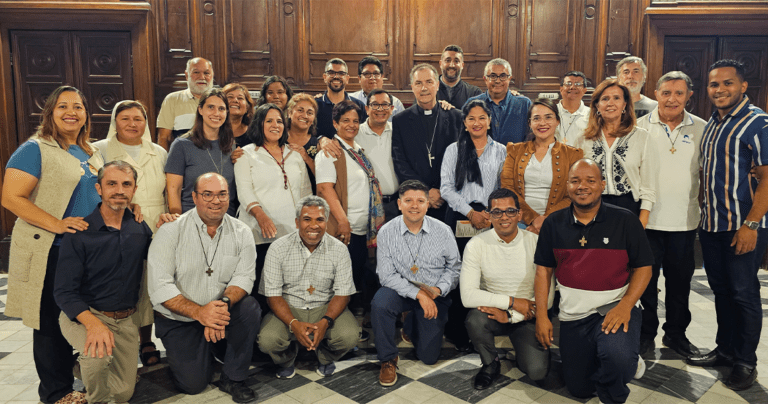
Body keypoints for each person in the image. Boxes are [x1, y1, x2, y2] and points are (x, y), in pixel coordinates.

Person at [2, 85, 105, 404]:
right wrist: (58, 224)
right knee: (49, 319)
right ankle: (56, 391)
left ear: (86, 114)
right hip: (52, 248)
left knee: (79, 314)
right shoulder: (36, 148)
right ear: (50, 113)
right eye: (63, 106)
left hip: (86, 249)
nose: (71, 112)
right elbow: (11, 197)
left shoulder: (91, 151)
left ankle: (82, 377)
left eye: (77, 106)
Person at [534, 159, 653, 404]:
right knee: (579, 389)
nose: (582, 186)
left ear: (602, 184)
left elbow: (644, 268)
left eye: (590, 180)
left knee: (618, 360)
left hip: (613, 307)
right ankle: (615, 359)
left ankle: (622, 368)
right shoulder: (553, 224)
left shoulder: (626, 220)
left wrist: (625, 305)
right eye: (575, 180)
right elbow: (543, 272)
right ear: (567, 186)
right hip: (573, 316)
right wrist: (542, 317)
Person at [686, 59, 768, 391]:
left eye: (727, 83)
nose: (720, 90)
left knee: (744, 293)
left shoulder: (758, 122)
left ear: (743, 86)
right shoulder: (714, 124)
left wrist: (751, 224)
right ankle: (726, 349)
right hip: (713, 225)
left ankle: (746, 361)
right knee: (722, 291)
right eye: (714, 85)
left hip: (742, 226)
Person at [148, 173, 260, 402]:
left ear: (229, 197)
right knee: (193, 385)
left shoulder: (242, 232)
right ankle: (204, 351)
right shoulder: (171, 230)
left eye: (222, 194)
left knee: (249, 307)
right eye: (207, 194)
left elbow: (244, 277)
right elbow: (160, 287)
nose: (216, 201)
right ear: (194, 197)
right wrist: (200, 313)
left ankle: (234, 376)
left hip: (220, 311)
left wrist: (220, 308)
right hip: (180, 319)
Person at [54, 161, 153, 404]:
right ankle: (93, 391)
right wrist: (94, 325)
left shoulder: (140, 229)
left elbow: (161, 257)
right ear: (99, 189)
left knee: (123, 393)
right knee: (98, 361)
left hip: (125, 320)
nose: (119, 190)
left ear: (134, 189)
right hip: (84, 316)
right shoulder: (79, 233)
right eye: (112, 184)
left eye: (126, 184)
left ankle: (82, 369)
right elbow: (64, 292)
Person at [92, 100, 168, 367]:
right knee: (123, 278)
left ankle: (146, 339)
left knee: (147, 281)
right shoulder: (99, 149)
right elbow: (95, 187)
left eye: (138, 119)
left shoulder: (158, 151)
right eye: (125, 118)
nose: (132, 124)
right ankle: (117, 335)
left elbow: (168, 190)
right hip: (119, 221)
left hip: (156, 224)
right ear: (115, 121)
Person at [636, 71, 707, 358]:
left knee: (680, 284)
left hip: (685, 222)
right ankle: (645, 334)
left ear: (689, 95)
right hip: (648, 222)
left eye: (679, 93)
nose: (672, 98)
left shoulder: (703, 128)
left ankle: (676, 335)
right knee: (646, 285)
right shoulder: (640, 127)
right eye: (666, 92)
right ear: (656, 94)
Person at [257, 196, 360, 378]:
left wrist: (325, 321)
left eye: (320, 219)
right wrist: (293, 324)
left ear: (326, 222)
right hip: (289, 308)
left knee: (350, 336)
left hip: (325, 308)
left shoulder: (339, 249)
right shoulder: (278, 248)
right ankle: (287, 360)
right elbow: (272, 296)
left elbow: (343, 294)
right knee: (267, 340)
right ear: (297, 222)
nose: (314, 225)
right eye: (307, 219)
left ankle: (324, 357)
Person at [372, 180, 461, 386]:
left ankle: (411, 323)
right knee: (380, 302)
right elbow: (386, 276)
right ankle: (388, 359)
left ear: (428, 204)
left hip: (434, 293)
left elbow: (454, 268)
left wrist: (438, 290)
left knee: (428, 357)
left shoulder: (443, 230)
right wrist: (419, 295)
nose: (415, 205)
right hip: (401, 291)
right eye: (408, 200)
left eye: (420, 201)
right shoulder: (386, 231)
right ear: (399, 204)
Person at [461, 188, 552, 389]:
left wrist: (512, 315)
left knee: (537, 371)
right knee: (475, 319)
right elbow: (468, 296)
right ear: (489, 215)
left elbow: (549, 298)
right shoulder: (476, 245)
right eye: (497, 212)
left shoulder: (537, 243)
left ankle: (525, 353)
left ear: (519, 214)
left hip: (529, 314)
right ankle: (490, 364)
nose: (504, 217)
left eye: (510, 211)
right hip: (494, 313)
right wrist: (511, 302)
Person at [439, 99, 505, 352]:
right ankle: (456, 331)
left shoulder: (501, 151)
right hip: (459, 217)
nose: (476, 123)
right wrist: (470, 212)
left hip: (491, 218)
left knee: (485, 274)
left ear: (489, 121)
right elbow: (446, 188)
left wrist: (489, 214)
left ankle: (481, 328)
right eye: (471, 119)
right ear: (464, 124)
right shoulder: (453, 150)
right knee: (458, 272)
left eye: (481, 118)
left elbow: (503, 185)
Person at [235, 103, 311, 310]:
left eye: (279, 121)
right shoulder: (246, 154)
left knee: (287, 287)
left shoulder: (295, 154)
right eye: (269, 120)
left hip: (290, 232)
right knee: (262, 286)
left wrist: (304, 226)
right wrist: (262, 217)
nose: (275, 125)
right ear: (259, 125)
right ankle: (260, 336)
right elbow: (244, 191)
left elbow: (305, 193)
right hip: (259, 232)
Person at [316, 100, 385, 329]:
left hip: (363, 228)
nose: (351, 125)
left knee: (359, 279)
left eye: (355, 121)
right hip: (345, 229)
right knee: (343, 281)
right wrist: (343, 221)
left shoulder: (357, 151)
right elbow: (326, 189)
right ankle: (340, 328)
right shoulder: (330, 152)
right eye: (345, 120)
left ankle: (354, 325)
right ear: (335, 123)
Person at [571, 79, 658, 226]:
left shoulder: (642, 137)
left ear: (625, 104)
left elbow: (648, 185)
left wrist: (642, 219)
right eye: (605, 99)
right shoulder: (582, 139)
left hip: (629, 208)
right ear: (597, 105)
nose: (611, 103)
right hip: (590, 208)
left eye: (616, 98)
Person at [501, 98, 584, 234]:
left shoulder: (573, 155)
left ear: (557, 121)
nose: (542, 123)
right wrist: (533, 219)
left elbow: (573, 194)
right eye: (536, 118)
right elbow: (507, 189)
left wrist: (545, 221)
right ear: (530, 123)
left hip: (558, 221)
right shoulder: (514, 150)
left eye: (548, 117)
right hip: (519, 221)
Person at [392, 63, 463, 220]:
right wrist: (425, 192)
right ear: (412, 87)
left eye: (429, 82)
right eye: (418, 83)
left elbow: (462, 159)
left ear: (437, 85)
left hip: (449, 202)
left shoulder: (455, 117)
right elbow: (400, 163)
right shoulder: (400, 120)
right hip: (415, 202)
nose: (424, 88)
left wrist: (442, 191)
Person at [165, 88, 238, 216]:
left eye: (221, 109)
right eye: (211, 107)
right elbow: (173, 189)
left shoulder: (231, 145)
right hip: (192, 217)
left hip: (226, 219)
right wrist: (178, 222)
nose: (216, 113)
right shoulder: (181, 145)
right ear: (200, 110)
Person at [356, 88, 401, 221]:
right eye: (375, 105)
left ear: (392, 108)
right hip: (365, 205)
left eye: (385, 105)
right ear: (367, 108)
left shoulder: (399, 131)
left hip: (395, 204)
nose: (380, 109)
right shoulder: (355, 133)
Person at [465, 58, 532, 145]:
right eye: (493, 76)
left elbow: (532, 137)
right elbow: (464, 136)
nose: (498, 80)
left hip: (516, 157)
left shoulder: (524, 104)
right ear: (485, 79)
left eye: (503, 76)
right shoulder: (472, 103)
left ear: (509, 78)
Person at [157, 57, 214, 149]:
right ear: (187, 75)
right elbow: (164, 138)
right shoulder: (172, 100)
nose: (202, 77)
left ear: (212, 76)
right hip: (183, 160)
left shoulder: (222, 100)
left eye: (206, 73)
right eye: (196, 72)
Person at [315, 58, 367, 138]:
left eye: (341, 73)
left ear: (347, 78)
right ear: (325, 77)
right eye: (331, 73)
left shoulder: (359, 105)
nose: (336, 77)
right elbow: (305, 133)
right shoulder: (315, 105)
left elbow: (366, 134)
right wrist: (320, 140)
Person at [349, 56, 405, 120]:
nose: (372, 77)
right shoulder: (350, 100)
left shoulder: (396, 103)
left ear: (382, 77)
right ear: (359, 78)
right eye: (367, 74)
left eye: (376, 74)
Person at [285, 93, 320, 193]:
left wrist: (306, 158)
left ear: (313, 119)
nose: (304, 116)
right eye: (300, 110)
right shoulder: (277, 140)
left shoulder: (318, 144)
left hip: (310, 201)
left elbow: (324, 178)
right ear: (289, 113)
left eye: (310, 113)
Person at [437, 44, 483, 109]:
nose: (452, 65)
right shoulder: (428, 91)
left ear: (462, 65)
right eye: (448, 60)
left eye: (456, 61)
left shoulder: (474, 93)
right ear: (441, 64)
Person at [557, 71, 590, 145]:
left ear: (585, 90)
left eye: (578, 84)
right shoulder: (550, 111)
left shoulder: (591, 115)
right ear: (561, 89)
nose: (572, 87)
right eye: (568, 84)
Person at [223, 83, 255, 148]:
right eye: (230, 97)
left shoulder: (255, 133)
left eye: (240, 98)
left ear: (247, 107)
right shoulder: (212, 131)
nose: (235, 100)